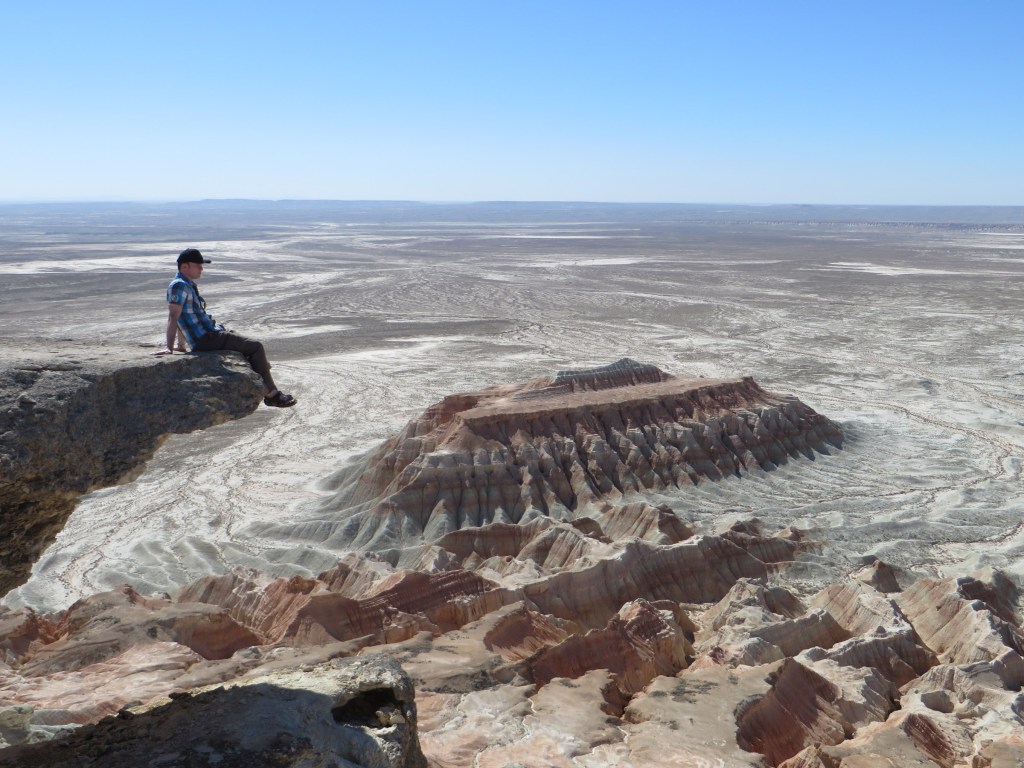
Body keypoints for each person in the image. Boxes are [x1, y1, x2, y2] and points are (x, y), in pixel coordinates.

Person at [155, 248, 297, 408]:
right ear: (184, 266)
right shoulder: (179, 286)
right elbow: (173, 316)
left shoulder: (186, 285)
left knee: (244, 343)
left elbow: (182, 317)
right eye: (198, 265)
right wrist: (169, 348)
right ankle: (272, 395)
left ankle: (264, 376)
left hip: (210, 334)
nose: (201, 268)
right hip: (206, 338)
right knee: (256, 347)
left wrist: (181, 345)